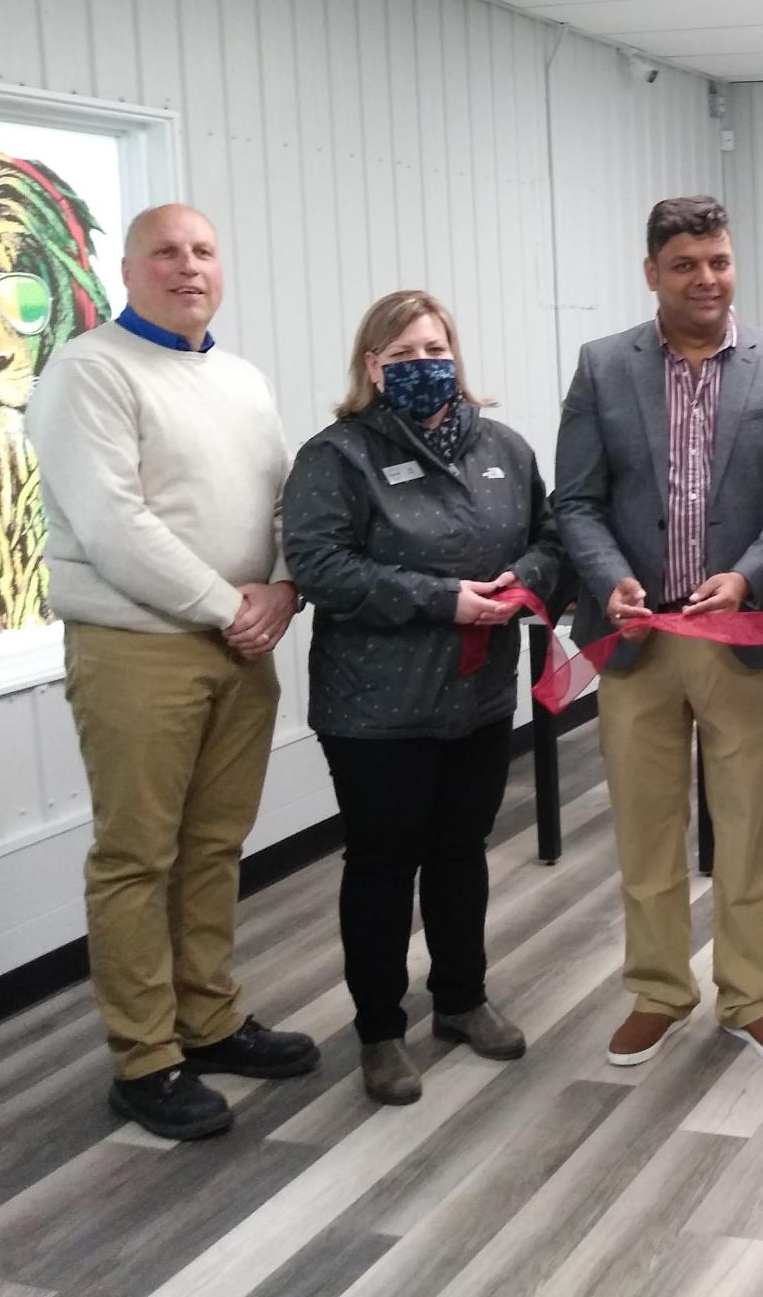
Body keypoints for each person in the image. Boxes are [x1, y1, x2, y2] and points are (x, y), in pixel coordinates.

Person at [25, 203, 317, 1141]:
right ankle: (145, 1059)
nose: (187, 267)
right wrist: (234, 607)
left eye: (202, 251)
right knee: (136, 857)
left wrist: (281, 588)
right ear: (128, 269)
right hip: (140, 649)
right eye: (166, 253)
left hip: (241, 642)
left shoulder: (239, 378)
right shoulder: (91, 371)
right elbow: (114, 526)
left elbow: (284, 502)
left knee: (214, 847)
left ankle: (212, 1019)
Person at [553, 195, 763, 1069]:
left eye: (718, 261)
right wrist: (610, 580)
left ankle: (753, 995)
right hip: (636, 639)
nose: (706, 279)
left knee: (747, 824)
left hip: (737, 633)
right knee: (646, 826)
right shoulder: (604, 367)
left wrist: (748, 575)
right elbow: (577, 500)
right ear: (652, 274)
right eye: (685, 265)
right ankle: (658, 990)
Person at [281, 291, 566, 1105]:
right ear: (371, 367)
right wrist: (442, 599)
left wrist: (530, 580)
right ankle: (378, 1032)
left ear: (456, 353)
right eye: (400, 355)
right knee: (381, 865)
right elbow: (321, 568)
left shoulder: (503, 447)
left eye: (432, 348)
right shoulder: (337, 457)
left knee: (460, 852)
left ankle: (462, 1000)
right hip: (376, 708)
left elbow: (549, 537)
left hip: (474, 699)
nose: (420, 365)